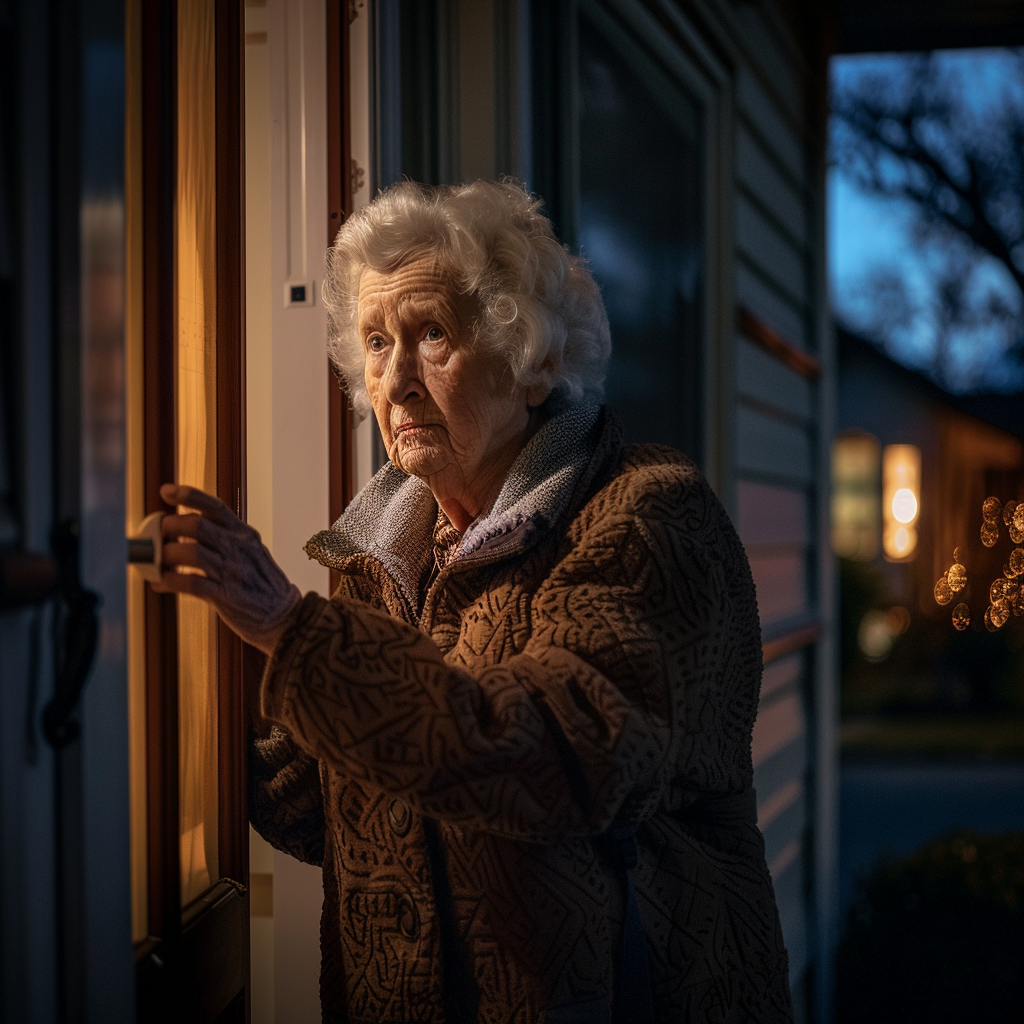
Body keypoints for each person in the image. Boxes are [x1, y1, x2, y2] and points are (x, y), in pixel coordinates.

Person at [155, 179, 793, 1023]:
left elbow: (556, 760)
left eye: (432, 335)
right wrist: (210, 646)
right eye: (376, 343)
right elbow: (324, 817)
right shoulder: (379, 560)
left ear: (534, 364)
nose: (398, 380)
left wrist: (287, 627)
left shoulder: (646, 515)